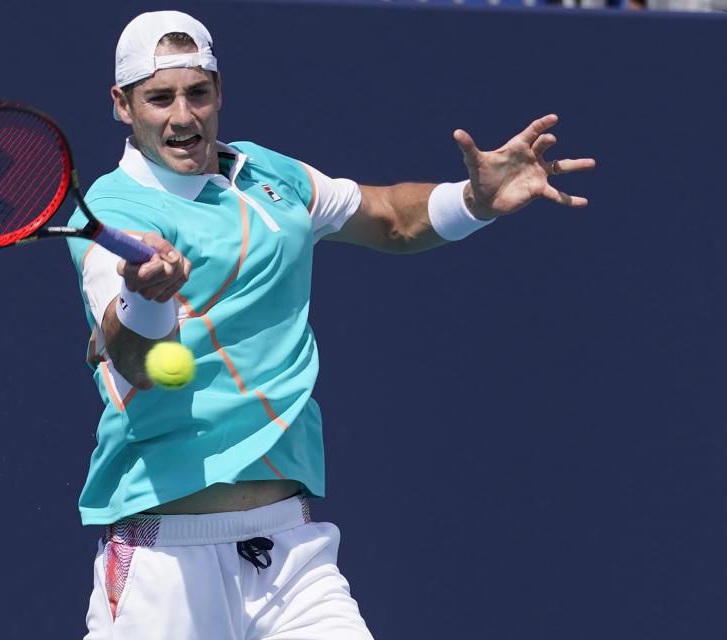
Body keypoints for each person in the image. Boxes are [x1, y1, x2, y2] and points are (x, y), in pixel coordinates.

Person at [66, 10, 595, 640]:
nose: (183, 117)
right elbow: (133, 364)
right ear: (122, 106)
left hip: (290, 551)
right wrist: (145, 297)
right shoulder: (114, 210)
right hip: (164, 558)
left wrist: (473, 200)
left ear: (219, 93)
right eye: (159, 99)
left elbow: (389, 217)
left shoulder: (271, 176)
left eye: (198, 93)